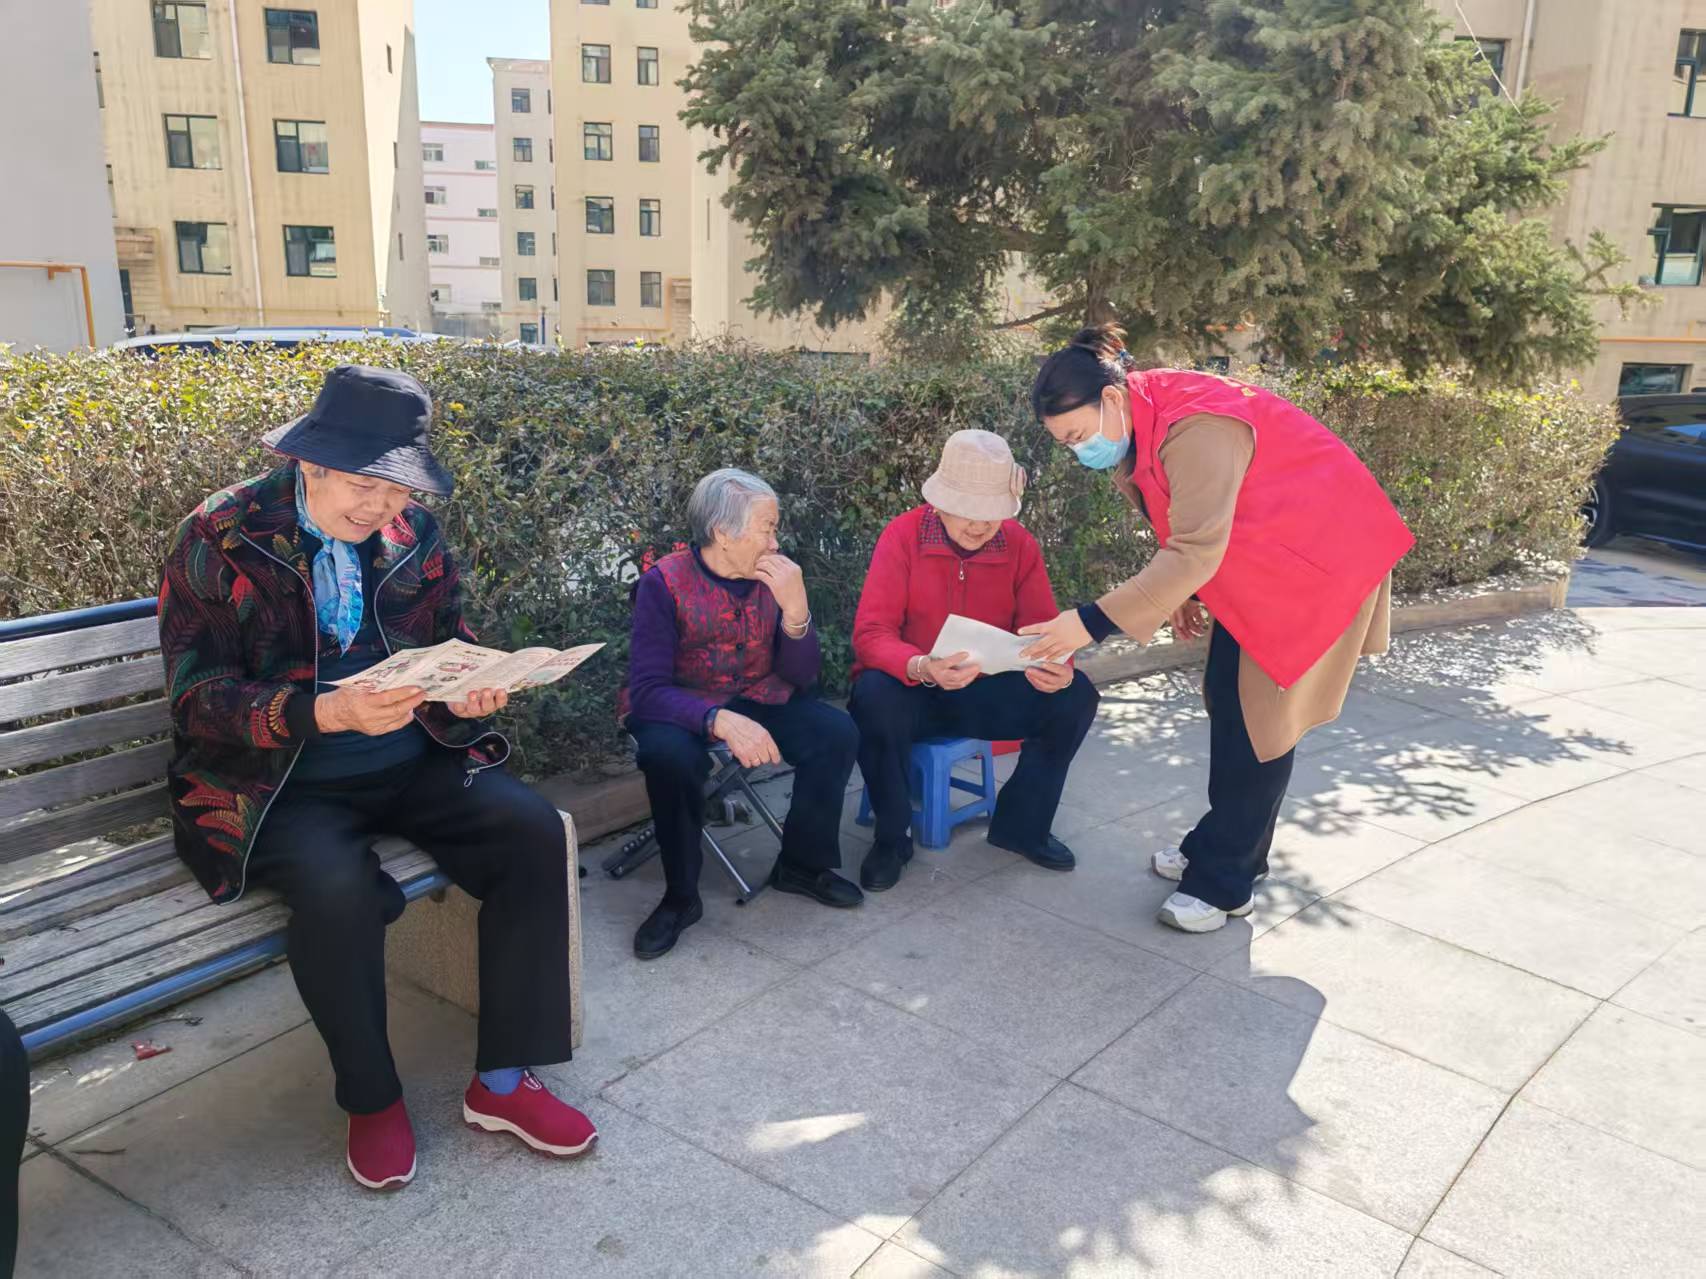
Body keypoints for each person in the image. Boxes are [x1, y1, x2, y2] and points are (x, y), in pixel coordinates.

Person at [158, 365, 594, 1191]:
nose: (382, 507)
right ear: (310, 460)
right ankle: (373, 1097)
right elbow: (196, 698)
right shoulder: (221, 535)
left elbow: (449, 636)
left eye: (398, 488)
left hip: (409, 757)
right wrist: (322, 712)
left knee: (533, 833)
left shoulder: (412, 534)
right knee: (339, 891)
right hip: (279, 780)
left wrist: (471, 687)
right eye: (366, 484)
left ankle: (504, 1081)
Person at [1020, 327, 1414, 933]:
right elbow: (1186, 523)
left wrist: (1088, 623)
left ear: (1112, 399)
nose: (1079, 451)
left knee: (1263, 724)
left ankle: (1227, 882)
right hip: (1262, 564)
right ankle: (1221, 843)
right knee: (1230, 702)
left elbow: (1194, 547)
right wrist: (1186, 591)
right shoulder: (1144, 410)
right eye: (1066, 443)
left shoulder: (1197, 426)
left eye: (1077, 436)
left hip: (1317, 565)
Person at [622, 468, 862, 960]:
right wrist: (717, 719)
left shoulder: (775, 577)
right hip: (679, 704)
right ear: (723, 533)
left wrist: (796, 612)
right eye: (766, 528)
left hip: (758, 694)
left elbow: (802, 677)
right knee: (669, 758)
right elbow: (647, 691)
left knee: (834, 732)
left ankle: (801, 864)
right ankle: (681, 897)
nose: (776, 541)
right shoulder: (663, 583)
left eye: (775, 528)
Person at [849, 430, 1101, 890]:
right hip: (915, 687)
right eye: (969, 512)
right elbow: (870, 635)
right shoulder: (902, 536)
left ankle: (1022, 827)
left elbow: (1041, 627)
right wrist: (922, 666)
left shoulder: (1019, 543)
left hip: (986, 689)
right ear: (940, 502)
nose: (981, 526)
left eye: (992, 514)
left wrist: (1058, 668)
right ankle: (892, 838)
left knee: (1076, 695)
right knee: (872, 696)